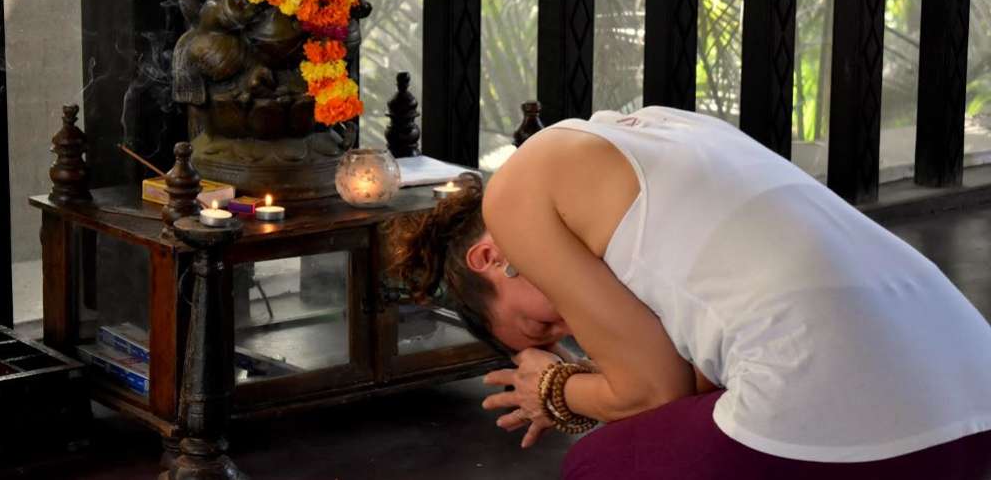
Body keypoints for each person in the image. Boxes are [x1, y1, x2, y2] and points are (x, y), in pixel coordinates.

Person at [388, 106, 991, 479]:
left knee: (603, 465)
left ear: (491, 258)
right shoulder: (660, 128)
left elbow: (654, 391)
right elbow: (697, 384)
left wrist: (556, 387)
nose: (568, 332)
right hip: (975, 403)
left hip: (861, 428)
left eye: (542, 327)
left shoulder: (514, 195)